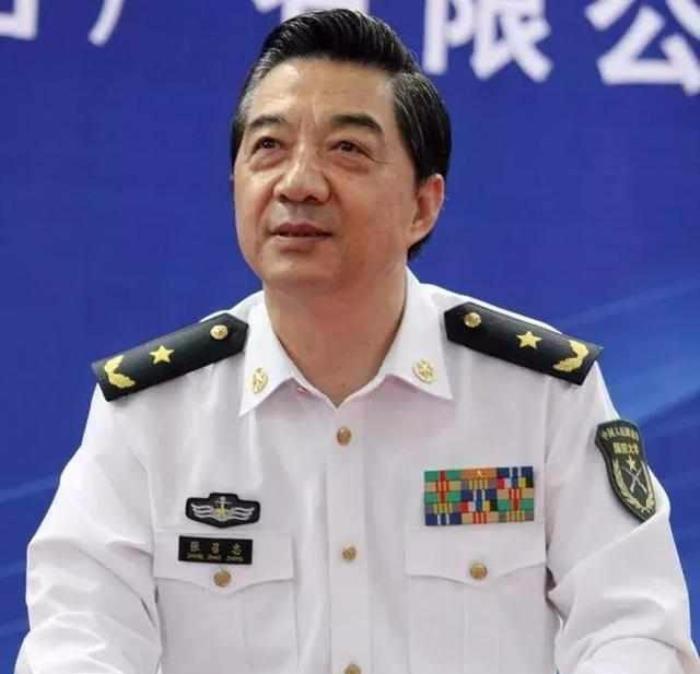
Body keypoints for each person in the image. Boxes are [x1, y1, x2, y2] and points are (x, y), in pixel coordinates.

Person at [16, 9, 698, 674]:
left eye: (346, 149)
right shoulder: (150, 416)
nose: (298, 183)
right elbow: (79, 635)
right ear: (235, 184)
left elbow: (634, 629)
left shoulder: (541, 397)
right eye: (269, 147)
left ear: (423, 205)